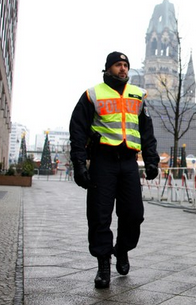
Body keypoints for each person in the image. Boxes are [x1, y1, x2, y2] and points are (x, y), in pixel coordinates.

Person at [69, 51, 160, 289]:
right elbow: (77, 131)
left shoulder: (138, 95)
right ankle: (103, 264)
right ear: (108, 68)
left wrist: (152, 160)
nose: (123, 69)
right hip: (103, 161)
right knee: (99, 215)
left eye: (126, 65)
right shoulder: (93, 94)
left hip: (129, 161)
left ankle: (122, 249)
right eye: (118, 65)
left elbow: (146, 131)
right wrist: (79, 164)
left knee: (134, 214)